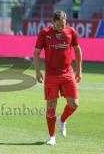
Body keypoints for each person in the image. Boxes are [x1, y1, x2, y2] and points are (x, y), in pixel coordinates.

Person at [33, 10, 82, 145]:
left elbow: (78, 50)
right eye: (59, 25)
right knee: (51, 106)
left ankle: (62, 120)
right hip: (51, 75)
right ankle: (52, 137)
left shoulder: (70, 32)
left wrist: (79, 71)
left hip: (67, 73)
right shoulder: (45, 33)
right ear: (53, 22)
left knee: (74, 104)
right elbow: (36, 53)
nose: (61, 28)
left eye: (63, 25)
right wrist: (37, 72)